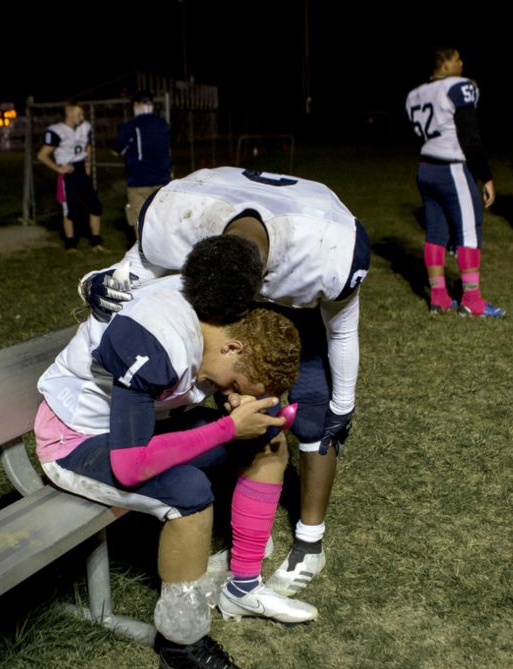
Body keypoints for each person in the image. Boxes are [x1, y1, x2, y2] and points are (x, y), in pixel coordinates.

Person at [36, 240, 310, 669]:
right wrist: (225, 427)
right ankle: (182, 644)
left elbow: (207, 388)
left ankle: (242, 587)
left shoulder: (219, 322)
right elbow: (130, 464)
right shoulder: (157, 339)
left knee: (268, 438)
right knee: (187, 490)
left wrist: (238, 412)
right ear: (233, 345)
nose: (233, 393)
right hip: (74, 441)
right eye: (238, 384)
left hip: (131, 431)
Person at [80, 166, 372, 598]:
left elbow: (342, 330)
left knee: (316, 407)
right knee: (243, 396)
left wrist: (344, 403)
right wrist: (93, 283)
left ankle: (310, 541)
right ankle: (248, 523)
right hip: (215, 279)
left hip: (303, 291)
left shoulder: (329, 249)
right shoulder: (178, 211)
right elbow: (132, 269)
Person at [406, 47, 504, 318]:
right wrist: (486, 175)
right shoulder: (458, 86)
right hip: (451, 169)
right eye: (458, 58)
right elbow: (469, 136)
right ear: (446, 64)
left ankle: (439, 297)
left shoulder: (414, 94)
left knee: (435, 234)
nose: (462, 62)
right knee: (469, 233)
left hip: (426, 168)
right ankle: (472, 301)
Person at [37, 102, 103, 249]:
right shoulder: (57, 131)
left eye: (82, 114)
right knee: (70, 210)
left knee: (95, 206)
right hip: (68, 173)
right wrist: (58, 169)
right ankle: (71, 244)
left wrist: (88, 163)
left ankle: (96, 242)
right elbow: (42, 155)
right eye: (79, 114)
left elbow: (88, 145)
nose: (82, 117)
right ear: (69, 113)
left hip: (81, 170)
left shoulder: (85, 126)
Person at [111, 90, 172, 236]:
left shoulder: (132, 125)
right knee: (161, 220)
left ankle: (143, 255)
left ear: (137, 104)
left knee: (140, 221)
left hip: (139, 181)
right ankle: (162, 254)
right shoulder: (163, 124)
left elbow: (116, 149)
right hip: (163, 179)